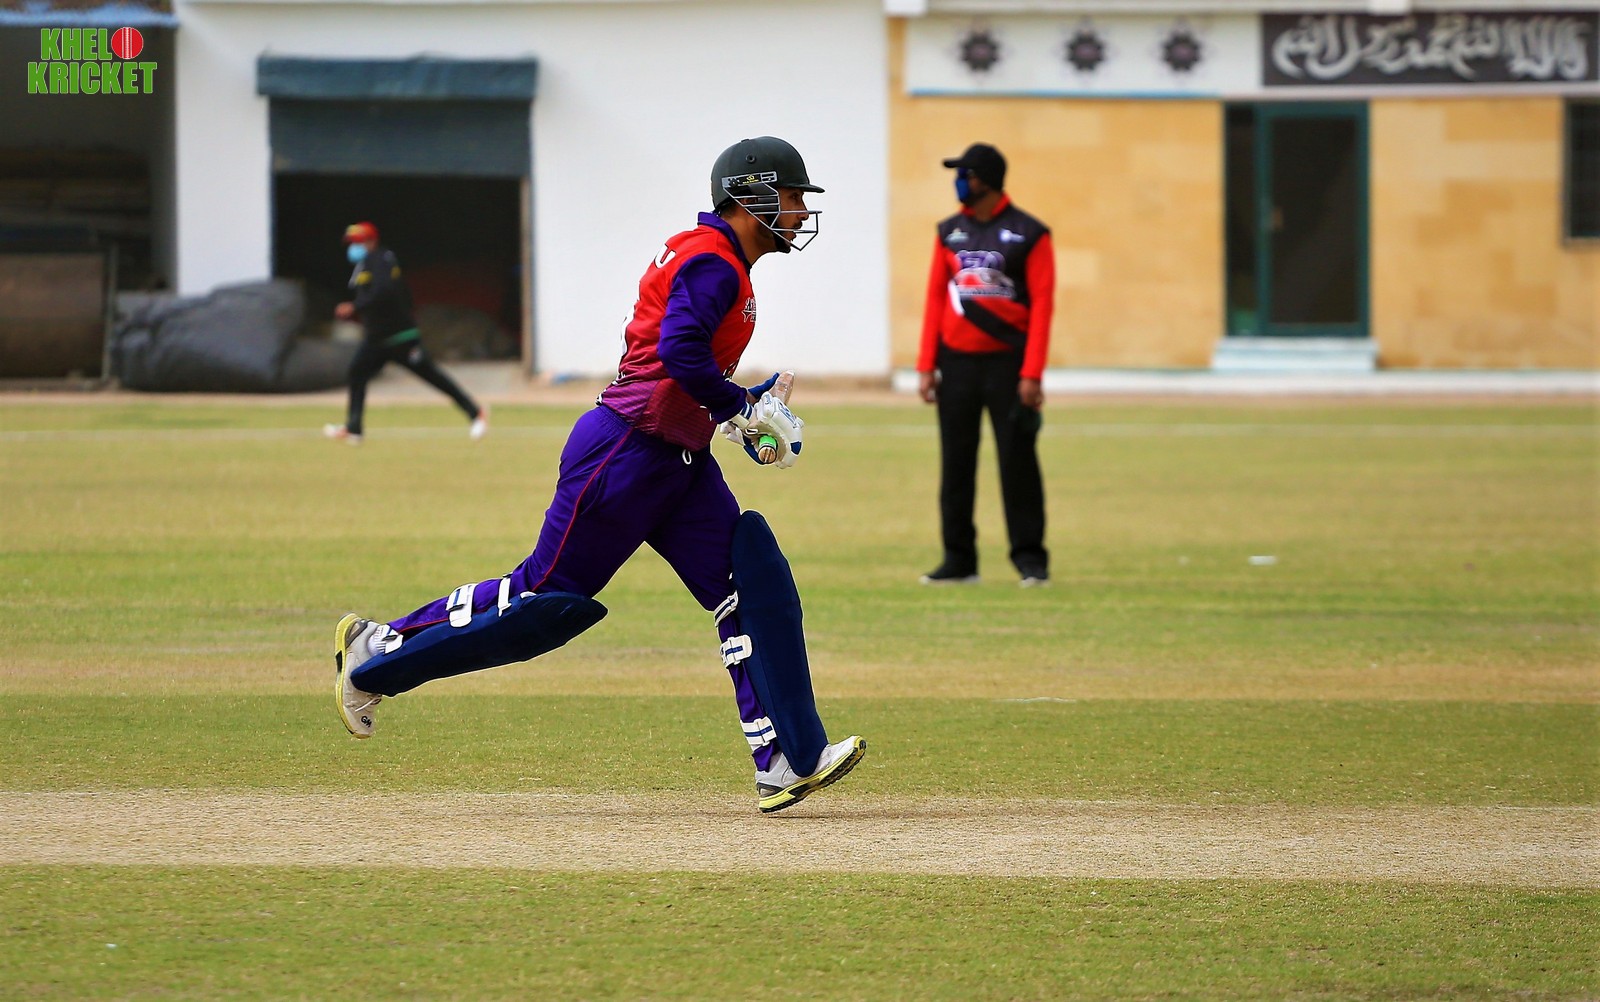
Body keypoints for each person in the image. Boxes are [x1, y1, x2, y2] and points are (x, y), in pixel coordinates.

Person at [330, 138, 867, 814]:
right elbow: (678, 354)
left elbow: (676, 363)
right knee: (543, 602)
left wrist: (745, 404)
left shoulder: (717, 259)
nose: (799, 212)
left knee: (750, 580)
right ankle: (379, 653)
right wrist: (739, 408)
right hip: (628, 453)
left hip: (677, 458)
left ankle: (787, 757)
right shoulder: (714, 262)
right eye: (790, 197)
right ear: (750, 194)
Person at [916, 142, 1054, 588]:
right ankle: (959, 561)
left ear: (987, 180)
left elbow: (1043, 306)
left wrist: (1032, 373)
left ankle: (1031, 561)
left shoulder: (1030, 233)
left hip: (1008, 366)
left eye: (966, 175)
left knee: (1018, 463)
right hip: (956, 365)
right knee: (956, 463)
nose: (960, 182)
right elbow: (935, 299)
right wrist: (926, 364)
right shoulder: (948, 232)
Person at [323, 221, 488, 444]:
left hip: (400, 337)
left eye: (358, 242)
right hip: (377, 338)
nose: (354, 247)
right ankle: (354, 428)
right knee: (357, 373)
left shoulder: (382, 259)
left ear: (372, 241)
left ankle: (476, 413)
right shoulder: (363, 265)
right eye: (352, 243)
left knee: (431, 376)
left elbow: (385, 290)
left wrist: (355, 306)